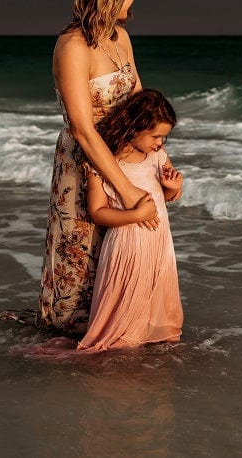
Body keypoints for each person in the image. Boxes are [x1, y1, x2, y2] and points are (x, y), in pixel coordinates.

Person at [37, 0, 158, 335]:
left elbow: (141, 104)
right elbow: (82, 128)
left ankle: (120, 329)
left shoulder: (119, 37)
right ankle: (73, 342)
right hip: (85, 162)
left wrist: (160, 165)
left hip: (126, 158)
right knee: (83, 252)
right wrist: (124, 187)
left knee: (123, 252)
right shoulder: (72, 47)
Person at [77, 89, 184, 352]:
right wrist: (135, 215)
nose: (160, 143)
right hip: (127, 244)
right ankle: (125, 342)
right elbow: (98, 212)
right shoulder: (106, 163)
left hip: (159, 241)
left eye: (164, 137)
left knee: (156, 293)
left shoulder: (157, 156)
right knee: (128, 300)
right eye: (156, 136)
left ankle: (155, 334)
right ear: (134, 126)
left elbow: (170, 196)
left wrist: (172, 188)